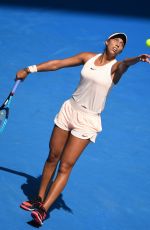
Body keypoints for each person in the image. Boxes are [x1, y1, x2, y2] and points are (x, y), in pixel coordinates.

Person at [16, 32, 150, 225]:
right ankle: (37, 200)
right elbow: (58, 64)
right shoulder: (88, 57)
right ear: (107, 42)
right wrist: (29, 69)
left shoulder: (116, 68)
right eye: (116, 40)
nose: (118, 45)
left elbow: (126, 63)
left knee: (65, 165)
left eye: (122, 44)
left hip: (88, 121)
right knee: (53, 156)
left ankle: (43, 210)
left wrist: (138, 58)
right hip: (69, 109)